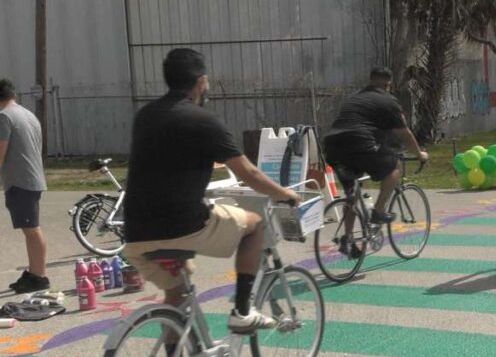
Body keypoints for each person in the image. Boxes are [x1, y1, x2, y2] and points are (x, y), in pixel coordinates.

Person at [122, 48, 301, 336]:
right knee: (254, 227)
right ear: (201, 81)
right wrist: (286, 194)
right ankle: (243, 311)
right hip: (183, 225)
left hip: (136, 233)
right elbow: (249, 174)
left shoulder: (144, 116)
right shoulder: (203, 120)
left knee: (176, 298)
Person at [321, 67, 428, 257]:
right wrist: (419, 154)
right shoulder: (388, 101)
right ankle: (378, 211)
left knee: (352, 193)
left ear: (370, 80)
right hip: (359, 143)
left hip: (332, 146)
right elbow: (404, 133)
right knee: (395, 167)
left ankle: (348, 240)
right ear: (388, 84)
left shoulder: (354, 98)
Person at [0, 79, 50, 293]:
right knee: (30, 229)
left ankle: (39, 277)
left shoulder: (4, 117)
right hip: (32, 177)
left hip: (21, 180)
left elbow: (0, 151)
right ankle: (34, 273)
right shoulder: (28, 114)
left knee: (31, 229)